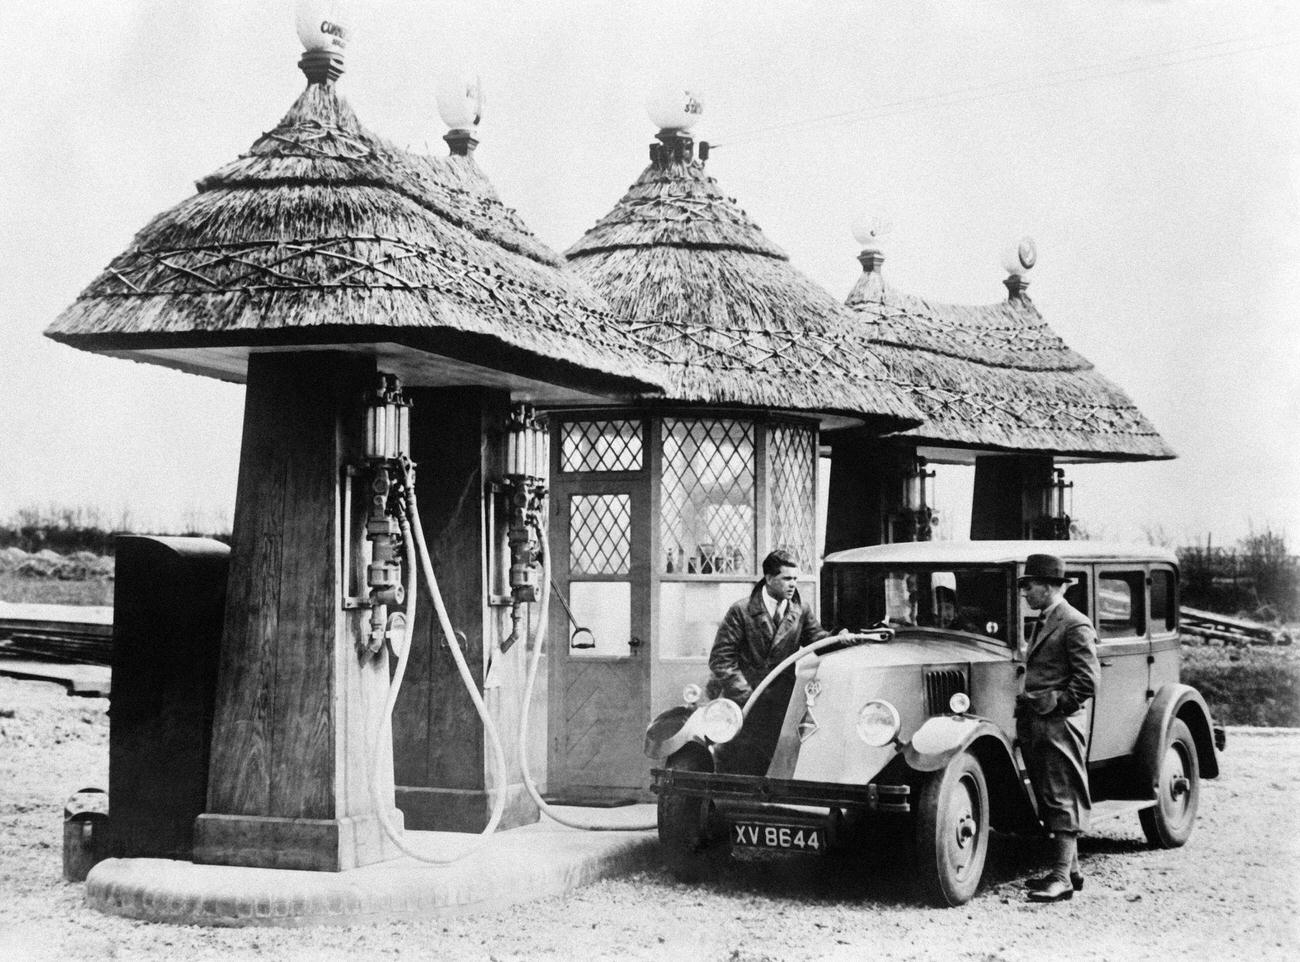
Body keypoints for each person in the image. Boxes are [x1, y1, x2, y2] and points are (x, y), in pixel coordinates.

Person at [1015, 552, 1101, 903]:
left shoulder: (1074, 623)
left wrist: (1058, 705)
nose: (1025, 593)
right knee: (1050, 794)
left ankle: (1061, 877)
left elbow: (1088, 680)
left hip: (1057, 725)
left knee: (1061, 793)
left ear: (1050, 586)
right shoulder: (1046, 619)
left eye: (1030, 585)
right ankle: (1072, 870)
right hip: (1039, 722)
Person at [706, 549, 831, 774]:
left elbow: (818, 641)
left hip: (783, 705)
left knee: (778, 767)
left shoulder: (800, 610)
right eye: (786, 579)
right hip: (745, 704)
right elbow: (721, 660)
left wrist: (846, 639)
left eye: (795, 579)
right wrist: (745, 694)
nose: (793, 584)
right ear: (770, 578)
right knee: (741, 767)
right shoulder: (740, 611)